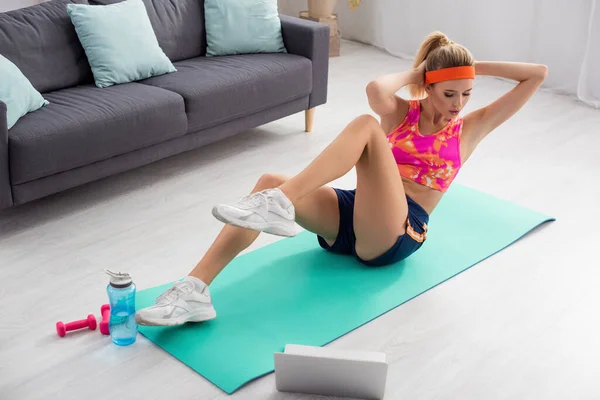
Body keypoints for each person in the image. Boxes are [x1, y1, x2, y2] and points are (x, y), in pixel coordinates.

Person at [134, 31, 547, 327]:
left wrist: (470, 68)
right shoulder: (403, 113)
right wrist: (418, 74)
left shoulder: (470, 129)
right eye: (449, 93)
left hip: (398, 232)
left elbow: (537, 73)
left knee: (366, 128)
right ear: (429, 87)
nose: (458, 104)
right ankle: (194, 292)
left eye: (467, 93)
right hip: (354, 215)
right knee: (268, 179)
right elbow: (374, 87)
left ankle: (280, 202)